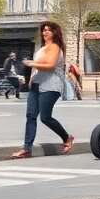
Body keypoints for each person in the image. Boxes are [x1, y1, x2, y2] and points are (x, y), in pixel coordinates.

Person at [12, 22, 74, 159]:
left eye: (48, 30)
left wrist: (31, 63)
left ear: (55, 33)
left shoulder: (55, 47)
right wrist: (31, 79)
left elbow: (50, 66)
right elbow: (39, 66)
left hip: (51, 85)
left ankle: (67, 137)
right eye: (44, 30)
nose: (45, 32)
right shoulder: (42, 48)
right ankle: (27, 148)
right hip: (37, 84)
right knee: (31, 116)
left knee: (45, 117)